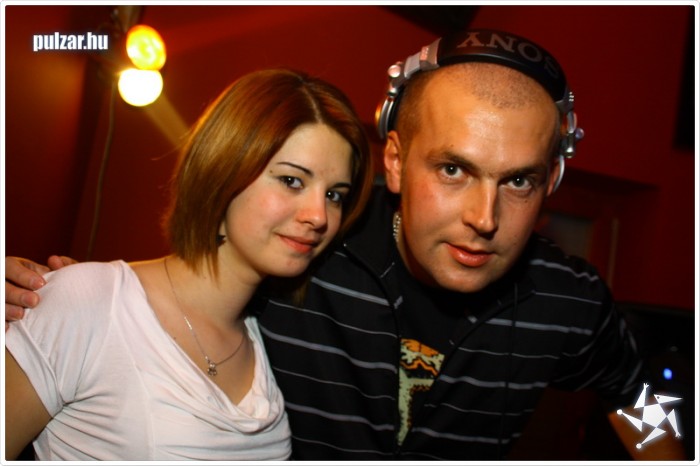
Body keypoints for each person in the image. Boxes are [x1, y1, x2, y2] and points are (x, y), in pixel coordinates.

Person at [5, 30, 686, 461]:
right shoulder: (311, 246)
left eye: (519, 181)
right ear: (395, 160)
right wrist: (51, 297)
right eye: (453, 169)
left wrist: (669, 453)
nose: (485, 218)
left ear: (552, 181)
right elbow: (164, 303)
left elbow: (638, 397)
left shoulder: (568, 300)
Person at [4, 68, 374, 460]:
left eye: (334, 195)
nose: (319, 215)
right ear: (225, 169)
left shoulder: (268, 341)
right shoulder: (91, 301)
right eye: (292, 181)